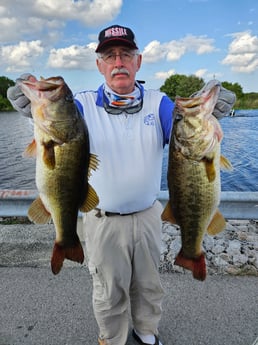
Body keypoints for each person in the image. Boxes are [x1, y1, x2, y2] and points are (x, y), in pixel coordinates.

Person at [7, 24, 236, 345]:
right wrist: (33, 111)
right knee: (108, 289)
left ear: (138, 62)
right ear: (99, 65)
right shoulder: (81, 104)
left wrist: (217, 114)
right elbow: (59, 128)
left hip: (148, 217)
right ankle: (112, 339)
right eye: (109, 56)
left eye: (125, 54)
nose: (118, 62)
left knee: (149, 285)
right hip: (101, 220)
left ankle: (146, 333)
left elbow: (188, 139)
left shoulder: (161, 104)